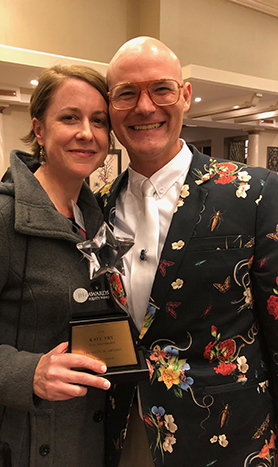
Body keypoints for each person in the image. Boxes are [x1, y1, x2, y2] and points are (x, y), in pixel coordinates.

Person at [97, 36, 278, 466]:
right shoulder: (97, 204)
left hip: (229, 435)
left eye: (160, 88)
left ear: (185, 95)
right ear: (110, 106)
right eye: (127, 93)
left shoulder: (253, 192)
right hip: (121, 428)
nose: (145, 107)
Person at [0, 65, 113, 467]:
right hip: (19, 443)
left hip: (92, 433)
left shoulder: (97, 217)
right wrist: (27, 373)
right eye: (69, 117)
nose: (87, 132)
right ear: (39, 129)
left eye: (99, 121)